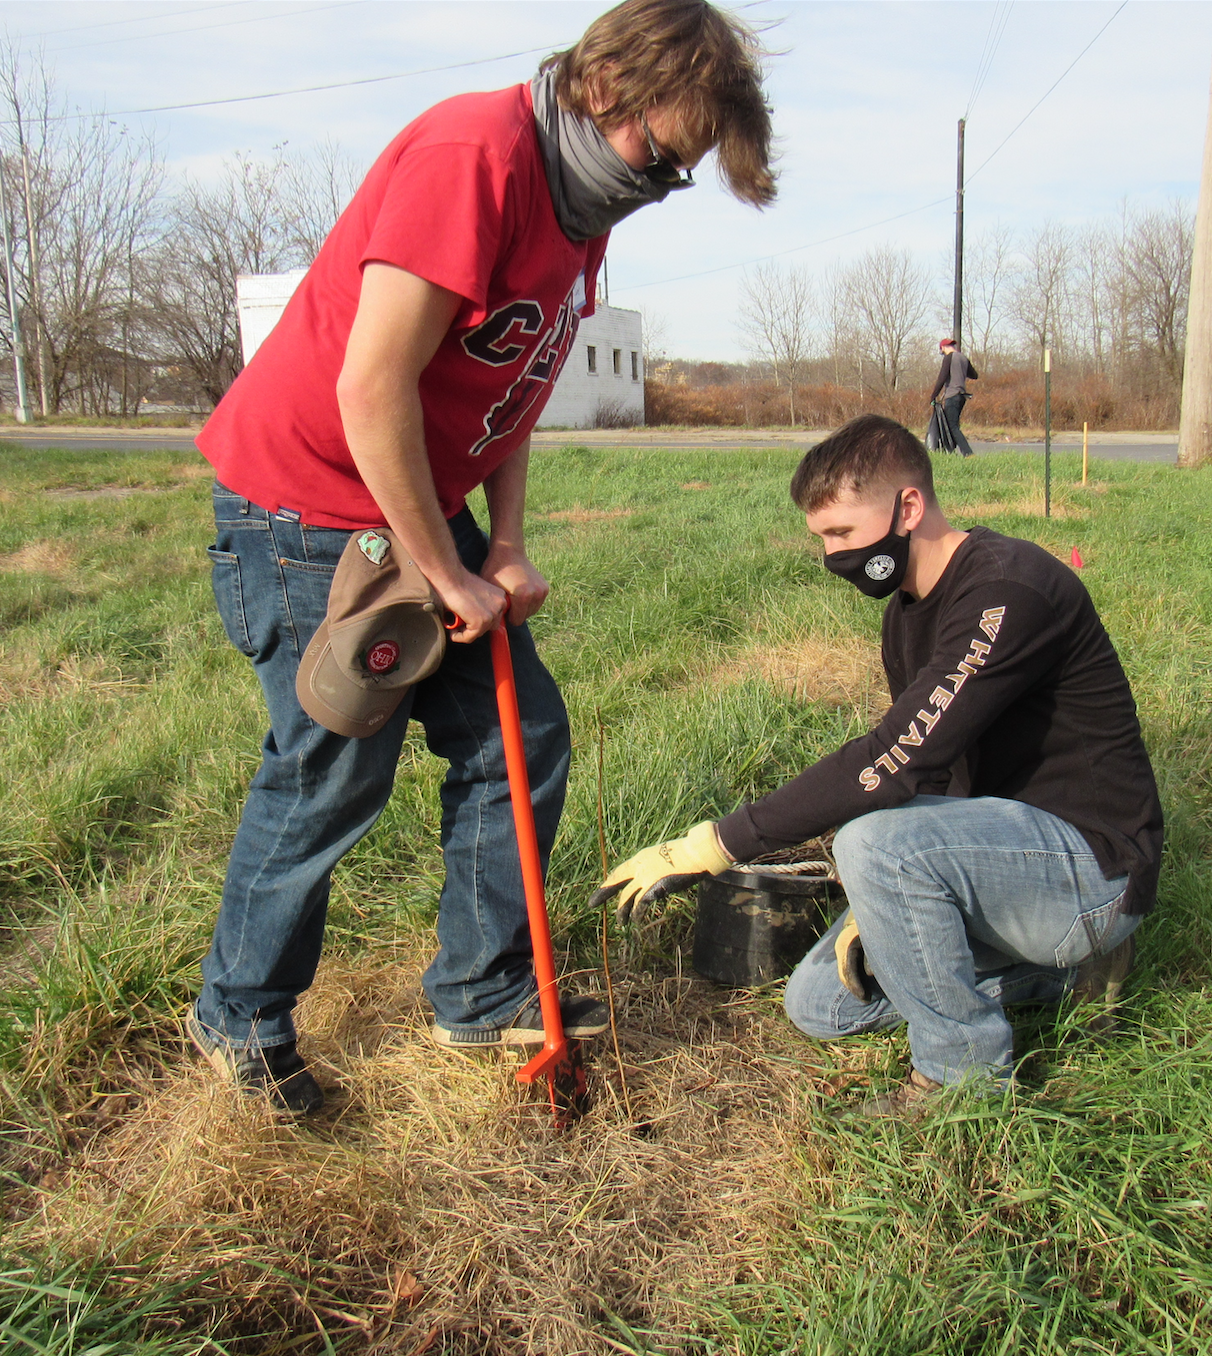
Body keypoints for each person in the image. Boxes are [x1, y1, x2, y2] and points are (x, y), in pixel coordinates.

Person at [189, 0, 777, 1114]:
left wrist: (500, 546)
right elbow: (371, 389)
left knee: (520, 739)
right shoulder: (476, 157)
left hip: (409, 500)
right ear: (609, 88)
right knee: (331, 773)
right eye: (664, 154)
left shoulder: (578, 205)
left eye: (680, 174)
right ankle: (237, 1018)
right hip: (305, 506)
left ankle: (479, 987)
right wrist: (445, 568)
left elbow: (520, 384)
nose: (660, 186)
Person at [593, 415, 1162, 1117]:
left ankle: (964, 1081)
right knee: (821, 1006)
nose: (833, 555)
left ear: (909, 507)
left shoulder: (1008, 594)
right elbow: (930, 771)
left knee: (870, 843)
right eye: (821, 539)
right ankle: (1060, 976)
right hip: (989, 856)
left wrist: (719, 842)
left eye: (842, 534)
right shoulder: (907, 612)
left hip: (1088, 867)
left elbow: (892, 762)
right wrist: (882, 905)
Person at [930, 337, 978, 457]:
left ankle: (968, 453)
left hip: (952, 395)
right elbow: (974, 375)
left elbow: (942, 377)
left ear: (943, 348)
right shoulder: (963, 358)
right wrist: (961, 371)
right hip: (962, 396)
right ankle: (950, 452)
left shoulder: (949, 357)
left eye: (942, 350)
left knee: (952, 427)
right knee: (951, 426)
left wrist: (933, 395)